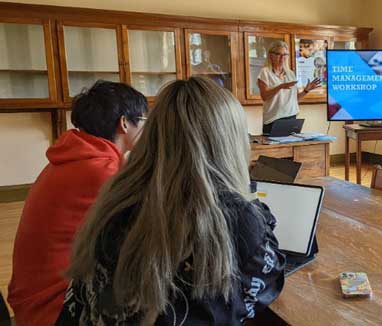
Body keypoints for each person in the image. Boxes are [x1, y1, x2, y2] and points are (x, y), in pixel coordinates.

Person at [56, 77, 285, 325]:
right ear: (230, 141)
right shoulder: (236, 215)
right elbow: (267, 284)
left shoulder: (116, 195)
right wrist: (247, 198)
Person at [8, 80, 148, 326]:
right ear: (124, 123)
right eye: (145, 122)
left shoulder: (76, 155)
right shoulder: (101, 172)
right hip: (55, 308)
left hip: (32, 301)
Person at [257, 40, 321, 134]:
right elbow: (264, 96)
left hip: (291, 118)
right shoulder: (265, 72)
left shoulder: (290, 74)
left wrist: (306, 91)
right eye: (279, 54)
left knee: (292, 148)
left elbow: (294, 100)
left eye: (285, 54)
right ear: (271, 55)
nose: (282, 57)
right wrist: (280, 87)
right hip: (273, 120)